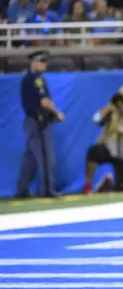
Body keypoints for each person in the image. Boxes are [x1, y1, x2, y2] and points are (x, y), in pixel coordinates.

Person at [16, 50, 65, 198]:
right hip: (38, 122)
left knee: (30, 158)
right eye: (42, 62)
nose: (45, 65)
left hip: (33, 120)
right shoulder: (36, 79)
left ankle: (22, 189)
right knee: (45, 157)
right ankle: (48, 190)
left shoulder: (30, 79)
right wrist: (57, 113)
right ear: (34, 63)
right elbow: (45, 102)